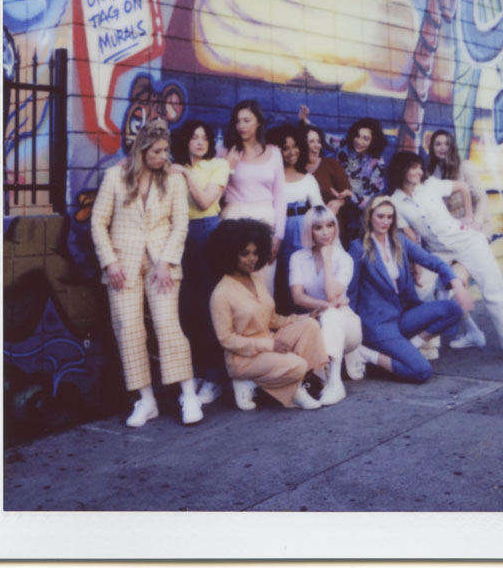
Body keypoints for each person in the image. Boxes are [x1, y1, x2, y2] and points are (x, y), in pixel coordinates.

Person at [90, 119, 203, 428]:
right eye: (156, 151)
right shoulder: (115, 176)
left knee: (167, 325)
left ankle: (188, 395)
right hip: (122, 264)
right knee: (129, 330)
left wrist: (167, 261)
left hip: (161, 262)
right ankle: (146, 400)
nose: (163, 156)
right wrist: (110, 262)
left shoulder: (174, 179)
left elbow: (181, 223)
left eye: (166, 150)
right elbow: (98, 222)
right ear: (141, 150)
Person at [387, 151, 503, 362]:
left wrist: (469, 217)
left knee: (493, 288)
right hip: (437, 251)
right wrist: (417, 265)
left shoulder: (430, 185)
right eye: (413, 168)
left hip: (467, 241)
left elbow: (463, 187)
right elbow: (411, 237)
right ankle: (446, 339)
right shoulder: (395, 201)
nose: (419, 172)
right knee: (421, 291)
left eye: (420, 167)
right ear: (401, 169)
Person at [346, 195, 470, 383]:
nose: (385, 221)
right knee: (421, 372)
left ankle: (412, 346)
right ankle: (366, 354)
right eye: (380, 216)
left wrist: (456, 283)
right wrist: (354, 334)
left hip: (402, 316)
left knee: (454, 309)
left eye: (389, 217)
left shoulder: (399, 241)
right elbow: (352, 290)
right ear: (370, 216)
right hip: (378, 326)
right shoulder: (358, 247)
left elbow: (432, 261)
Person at [208, 218, 329, 411]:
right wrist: (268, 345)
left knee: (310, 326)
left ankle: (288, 384)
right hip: (243, 359)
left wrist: (306, 317)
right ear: (230, 254)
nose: (252, 258)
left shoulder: (257, 280)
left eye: (256, 253)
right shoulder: (221, 293)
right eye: (245, 253)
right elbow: (226, 340)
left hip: (268, 342)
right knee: (298, 365)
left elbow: (272, 319)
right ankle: (256, 384)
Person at [170, 119, 230, 406]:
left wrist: (185, 174)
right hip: (179, 234)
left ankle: (214, 377)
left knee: (209, 306)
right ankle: (192, 373)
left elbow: (206, 202)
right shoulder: (173, 167)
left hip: (207, 232)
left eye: (205, 138)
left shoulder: (218, 165)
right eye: (194, 137)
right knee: (187, 309)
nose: (200, 142)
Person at [288, 204, 363, 404]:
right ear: (309, 230)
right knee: (325, 316)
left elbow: (331, 292)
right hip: (315, 321)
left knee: (331, 316)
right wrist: (325, 305)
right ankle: (325, 369)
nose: (325, 232)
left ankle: (335, 383)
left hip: (347, 324)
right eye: (318, 227)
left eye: (330, 225)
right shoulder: (297, 258)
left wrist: (327, 259)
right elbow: (297, 297)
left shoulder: (344, 259)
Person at [221, 99, 287, 295]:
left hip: (265, 223)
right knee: (235, 286)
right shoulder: (225, 150)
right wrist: (227, 167)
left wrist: (278, 236)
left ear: (258, 122)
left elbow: (280, 196)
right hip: (234, 220)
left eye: (247, 120)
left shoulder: (274, 153)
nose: (241, 126)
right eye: (238, 121)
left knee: (264, 286)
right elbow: (217, 191)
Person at [266, 122, 324, 313]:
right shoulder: (271, 177)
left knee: (300, 277)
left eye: (295, 146)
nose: (292, 152)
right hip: (276, 230)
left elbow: (320, 211)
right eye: (285, 148)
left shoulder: (307, 179)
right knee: (277, 278)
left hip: (301, 231)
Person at [426, 129, 491, 235]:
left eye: (447, 144)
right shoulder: (431, 175)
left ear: (452, 146)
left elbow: (481, 198)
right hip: (453, 231)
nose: (443, 148)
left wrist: (476, 223)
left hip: (475, 228)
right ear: (432, 148)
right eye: (438, 144)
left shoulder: (464, 167)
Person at [337, 117, 389, 246]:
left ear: (373, 141)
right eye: (357, 136)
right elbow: (325, 139)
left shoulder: (378, 164)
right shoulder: (344, 147)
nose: (359, 141)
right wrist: (305, 122)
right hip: (337, 205)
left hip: (358, 215)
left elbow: (372, 199)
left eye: (365, 139)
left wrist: (351, 196)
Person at [298, 107, 352, 215]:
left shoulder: (330, 164)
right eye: (311, 141)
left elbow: (348, 195)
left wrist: (340, 202)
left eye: (319, 141)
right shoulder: (295, 168)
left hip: (330, 221)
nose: (317, 145)